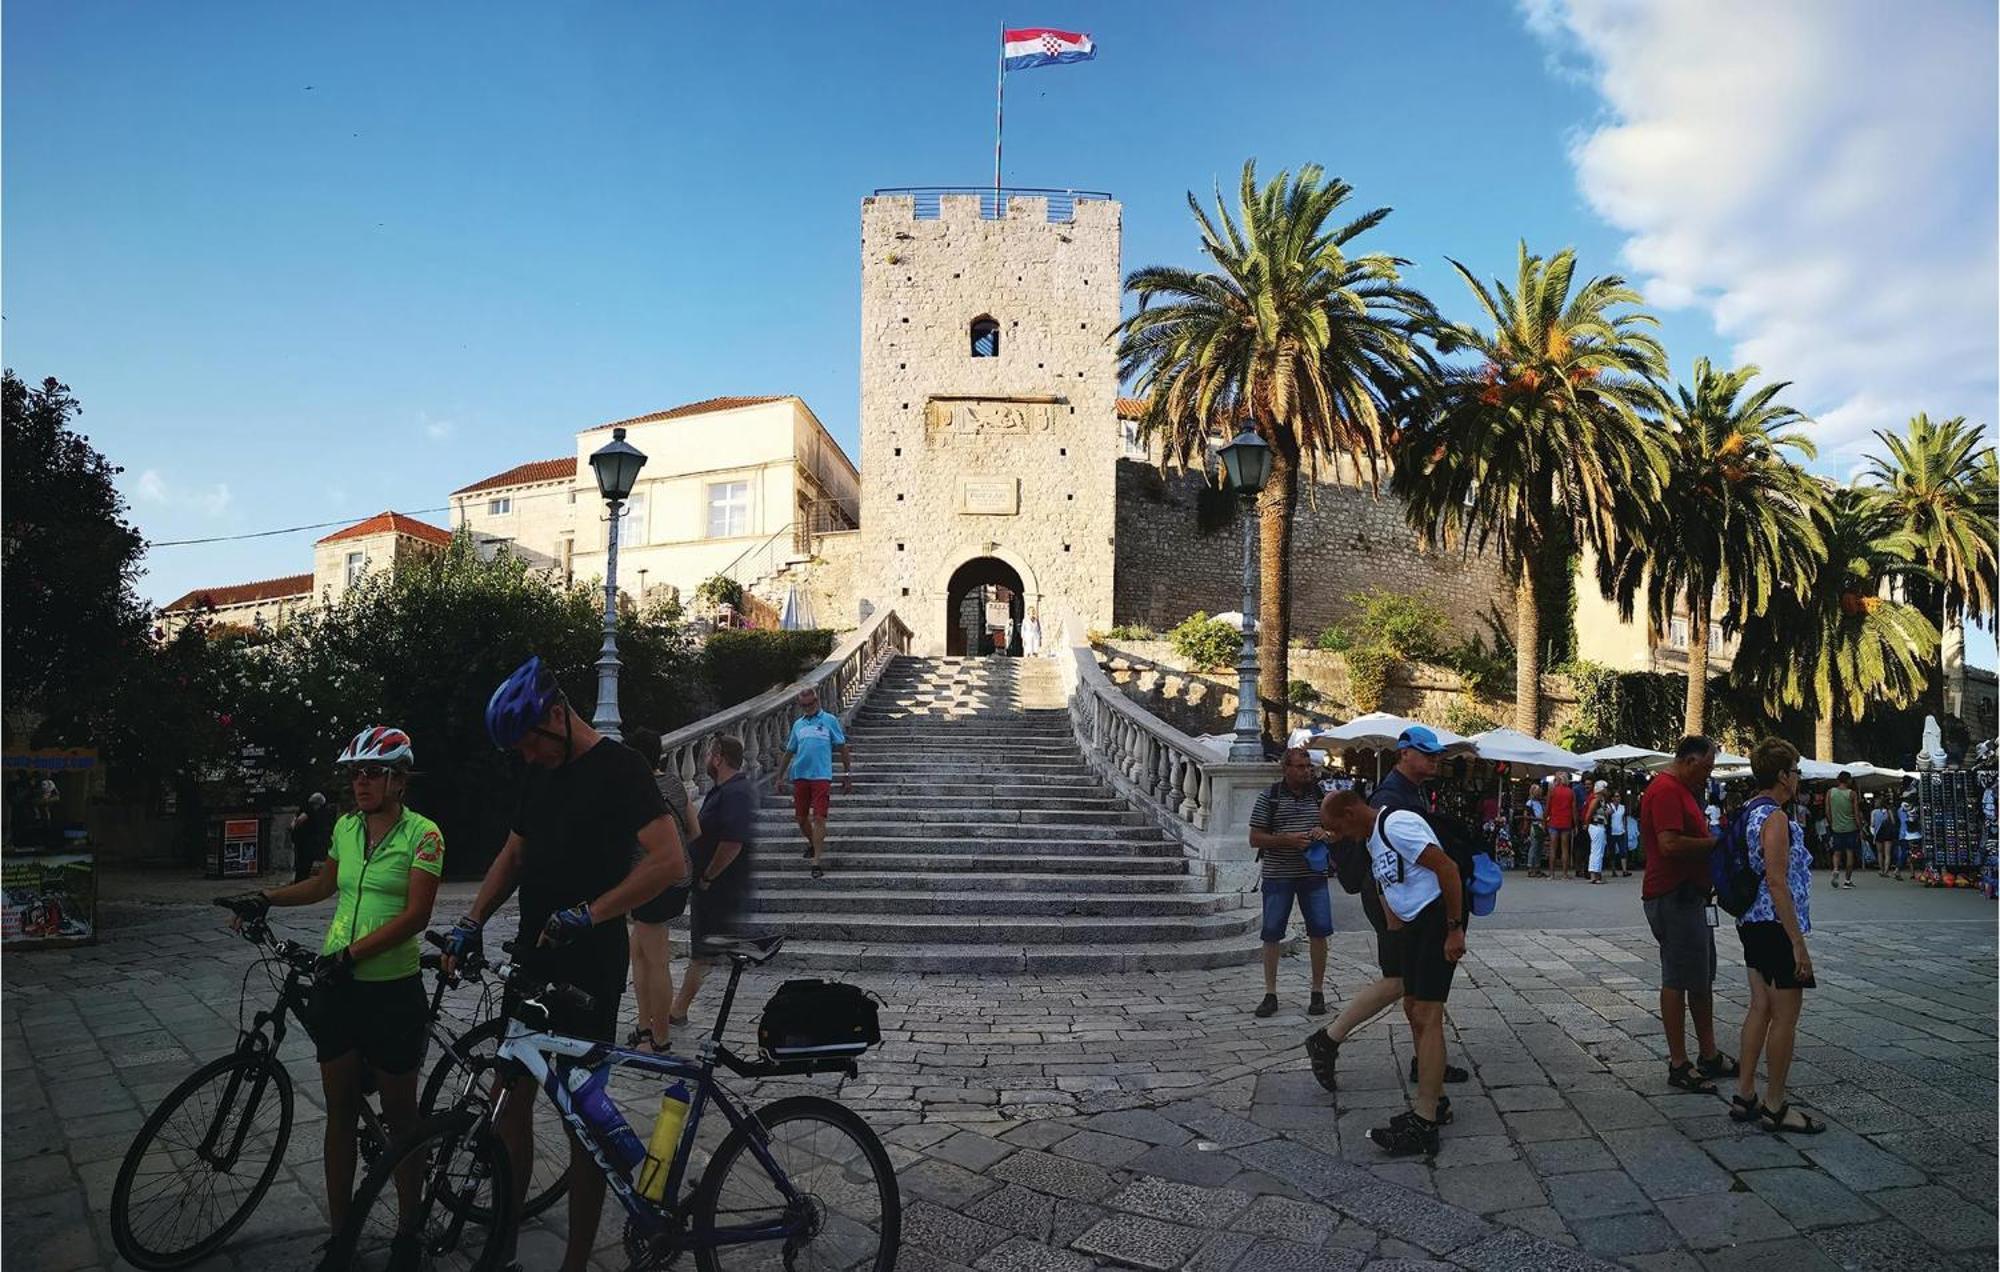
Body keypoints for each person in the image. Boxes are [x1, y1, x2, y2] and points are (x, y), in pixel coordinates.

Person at [447, 656, 688, 1272]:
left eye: (530, 740)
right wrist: (472, 919)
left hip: (589, 966)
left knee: (584, 1120)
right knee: (508, 1102)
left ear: (558, 714)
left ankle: (576, 1261)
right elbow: (515, 852)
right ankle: (501, 1240)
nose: (527, 755)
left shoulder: (620, 768)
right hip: (534, 955)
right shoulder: (537, 770)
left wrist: (594, 912)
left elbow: (667, 861)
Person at [223, 726, 443, 1248]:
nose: (361, 783)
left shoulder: (424, 834)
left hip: (391, 989)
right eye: (355, 774)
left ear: (398, 780)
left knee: (401, 1119)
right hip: (339, 987)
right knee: (340, 1111)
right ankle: (341, 1234)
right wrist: (265, 897)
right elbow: (323, 885)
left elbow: (416, 915)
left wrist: (351, 955)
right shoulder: (346, 827)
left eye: (372, 773)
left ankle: (410, 1228)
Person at [1304, 727, 1469, 1093]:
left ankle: (1423, 1060)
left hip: (1396, 900)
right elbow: (1389, 860)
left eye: (1436, 754)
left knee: (1411, 987)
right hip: (1392, 900)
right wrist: (1403, 918)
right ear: (1404, 754)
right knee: (1405, 984)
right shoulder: (1391, 797)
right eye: (1426, 753)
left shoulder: (1410, 791)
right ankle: (1331, 1039)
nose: (1434, 759)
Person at [1319, 789, 1465, 1158]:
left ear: (1352, 812)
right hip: (1413, 929)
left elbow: (1447, 869)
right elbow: (1389, 883)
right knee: (1415, 1012)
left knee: (1428, 1016)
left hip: (1435, 922)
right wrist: (1394, 929)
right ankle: (1437, 1101)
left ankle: (1425, 1122)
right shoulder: (1372, 839)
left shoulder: (1398, 824)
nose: (1343, 837)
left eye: (1341, 828)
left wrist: (1454, 929)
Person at [1730, 737, 1824, 1134]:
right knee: (1785, 1017)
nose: (1799, 777)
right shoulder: (1775, 818)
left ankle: (1745, 1093)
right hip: (1775, 926)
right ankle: (1775, 1104)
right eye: (1796, 771)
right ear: (1783, 776)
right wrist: (1798, 944)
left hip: (1752, 922)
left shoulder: (1749, 811)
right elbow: (1777, 880)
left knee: (1759, 1007)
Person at [1639, 735, 1738, 1094]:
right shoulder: (1666, 790)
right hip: (1674, 895)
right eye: (1707, 768)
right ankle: (1678, 1062)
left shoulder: (1681, 790)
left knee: (1699, 977)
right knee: (1678, 978)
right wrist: (1718, 844)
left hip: (1690, 897)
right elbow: (1669, 844)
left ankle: (1708, 1054)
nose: (1707, 777)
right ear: (1690, 761)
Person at [671, 733, 759, 1022]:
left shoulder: (735, 792)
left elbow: (732, 843)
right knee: (703, 952)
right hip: (712, 886)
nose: (706, 760)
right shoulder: (725, 789)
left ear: (719, 757)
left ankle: (678, 1011)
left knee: (702, 953)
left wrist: (708, 876)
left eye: (709, 754)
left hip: (720, 887)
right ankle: (678, 1009)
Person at [622, 726, 700, 1052]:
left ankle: (660, 1038)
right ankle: (643, 1026)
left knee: (656, 960)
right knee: (638, 951)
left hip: (652, 882)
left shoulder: (633, 789)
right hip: (677, 879)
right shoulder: (673, 784)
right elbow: (695, 831)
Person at [1250, 748, 1334, 1017]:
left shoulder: (1320, 796)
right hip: (1278, 873)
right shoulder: (1269, 797)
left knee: (1319, 931)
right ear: (1285, 768)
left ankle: (1317, 991)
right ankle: (1270, 993)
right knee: (1272, 932)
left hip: (1313, 873)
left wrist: (1326, 832)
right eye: (1300, 766)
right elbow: (1255, 838)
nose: (1306, 771)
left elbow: (1338, 830)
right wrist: (1286, 839)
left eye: (1308, 766)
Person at [775, 685, 852, 880]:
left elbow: (842, 747)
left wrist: (847, 773)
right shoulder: (798, 725)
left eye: (810, 704)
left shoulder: (829, 721)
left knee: (819, 818)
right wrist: (779, 776)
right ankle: (813, 843)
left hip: (821, 776)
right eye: (804, 705)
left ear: (817, 701)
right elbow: (789, 751)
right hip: (800, 775)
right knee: (801, 819)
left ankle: (816, 861)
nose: (808, 708)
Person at [289, 790, 336, 883]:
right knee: (304, 863)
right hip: (305, 841)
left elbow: (294, 823)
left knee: (302, 863)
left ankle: (301, 880)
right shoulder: (308, 810)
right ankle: (301, 881)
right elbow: (299, 820)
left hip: (302, 841)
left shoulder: (304, 809)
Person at [1825, 772, 1859, 889]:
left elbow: (1827, 810)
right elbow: (1855, 812)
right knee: (1850, 853)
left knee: (1837, 852)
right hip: (1851, 827)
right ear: (1848, 780)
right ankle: (1847, 880)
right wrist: (1859, 826)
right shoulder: (1852, 794)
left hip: (1836, 827)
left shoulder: (1830, 792)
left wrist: (1831, 823)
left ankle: (1835, 869)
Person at [1546, 776, 1575, 877]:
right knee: (1565, 849)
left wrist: (1544, 820)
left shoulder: (1552, 791)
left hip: (1554, 821)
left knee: (1553, 848)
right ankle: (1564, 873)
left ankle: (1551, 874)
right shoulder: (1570, 792)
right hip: (1566, 821)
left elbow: (1547, 806)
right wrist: (1575, 823)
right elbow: (1573, 809)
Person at [1585, 779, 1612, 884]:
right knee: (1597, 850)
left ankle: (1596, 873)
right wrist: (1587, 824)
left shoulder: (1601, 800)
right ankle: (1594, 875)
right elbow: (1589, 814)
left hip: (1599, 826)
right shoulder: (1596, 800)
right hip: (1596, 826)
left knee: (1598, 850)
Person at [1524, 783, 1548, 877]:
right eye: (1537, 792)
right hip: (1534, 825)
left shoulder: (1540, 803)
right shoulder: (1529, 803)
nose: (1539, 793)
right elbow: (1527, 815)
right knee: (1534, 847)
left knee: (1539, 847)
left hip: (1541, 825)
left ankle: (1537, 867)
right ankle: (1531, 867)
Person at [1608, 790, 1632, 878]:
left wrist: (1625, 829)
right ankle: (1613, 870)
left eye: (1619, 796)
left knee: (1623, 851)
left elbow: (1624, 819)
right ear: (1612, 798)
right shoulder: (1608, 806)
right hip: (1611, 832)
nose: (1618, 798)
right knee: (1612, 851)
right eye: (1616, 796)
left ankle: (1624, 870)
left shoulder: (1623, 807)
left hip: (1621, 831)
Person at [1871, 797, 1896, 878]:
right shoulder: (1888, 811)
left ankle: (1881, 870)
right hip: (1888, 834)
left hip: (1878, 833)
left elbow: (1872, 824)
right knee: (1887, 854)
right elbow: (1893, 822)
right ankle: (1886, 871)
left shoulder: (1874, 812)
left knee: (1880, 853)